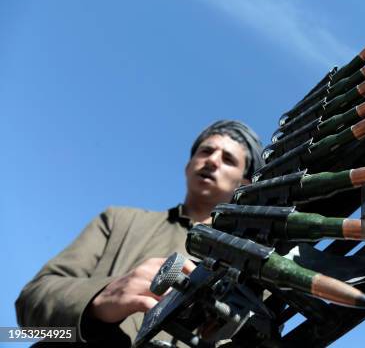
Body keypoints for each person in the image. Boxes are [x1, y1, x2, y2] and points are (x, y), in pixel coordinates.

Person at [15, 120, 264, 346]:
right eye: (206, 151)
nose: (212, 161)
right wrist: (98, 299)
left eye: (228, 159)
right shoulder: (119, 220)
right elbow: (30, 303)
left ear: (243, 185)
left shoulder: (249, 264)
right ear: (189, 165)